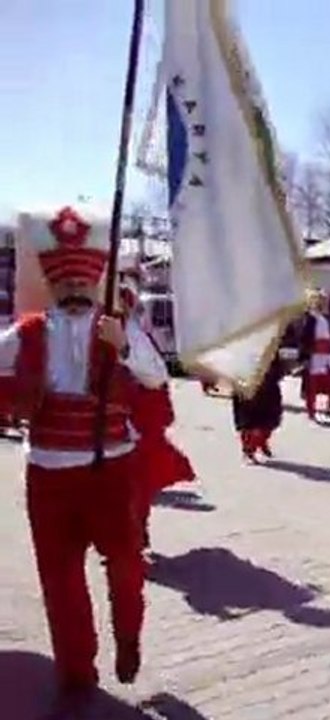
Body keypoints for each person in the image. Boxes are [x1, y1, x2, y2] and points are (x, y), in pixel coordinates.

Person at [0, 204, 169, 713]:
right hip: (49, 471)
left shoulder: (116, 329)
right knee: (60, 579)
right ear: (54, 285)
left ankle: (129, 637)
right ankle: (77, 669)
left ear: (95, 283)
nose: (75, 291)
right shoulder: (27, 332)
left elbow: (157, 377)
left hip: (109, 469)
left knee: (125, 566)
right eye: (66, 283)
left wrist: (124, 348)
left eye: (82, 283)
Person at [118, 285, 196, 549]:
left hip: (132, 419)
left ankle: (134, 533)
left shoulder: (131, 334)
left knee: (135, 483)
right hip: (109, 420)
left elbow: (154, 376)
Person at [299, 289, 330, 421]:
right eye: (319, 300)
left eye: (323, 301)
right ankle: (311, 410)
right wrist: (305, 356)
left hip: (328, 354)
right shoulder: (310, 319)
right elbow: (304, 338)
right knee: (312, 384)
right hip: (315, 355)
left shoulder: (328, 318)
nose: (321, 303)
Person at [232, 351, 284, 463]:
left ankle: (260, 442)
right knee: (249, 422)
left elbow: (276, 363)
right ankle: (249, 448)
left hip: (268, 385)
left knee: (270, 419)